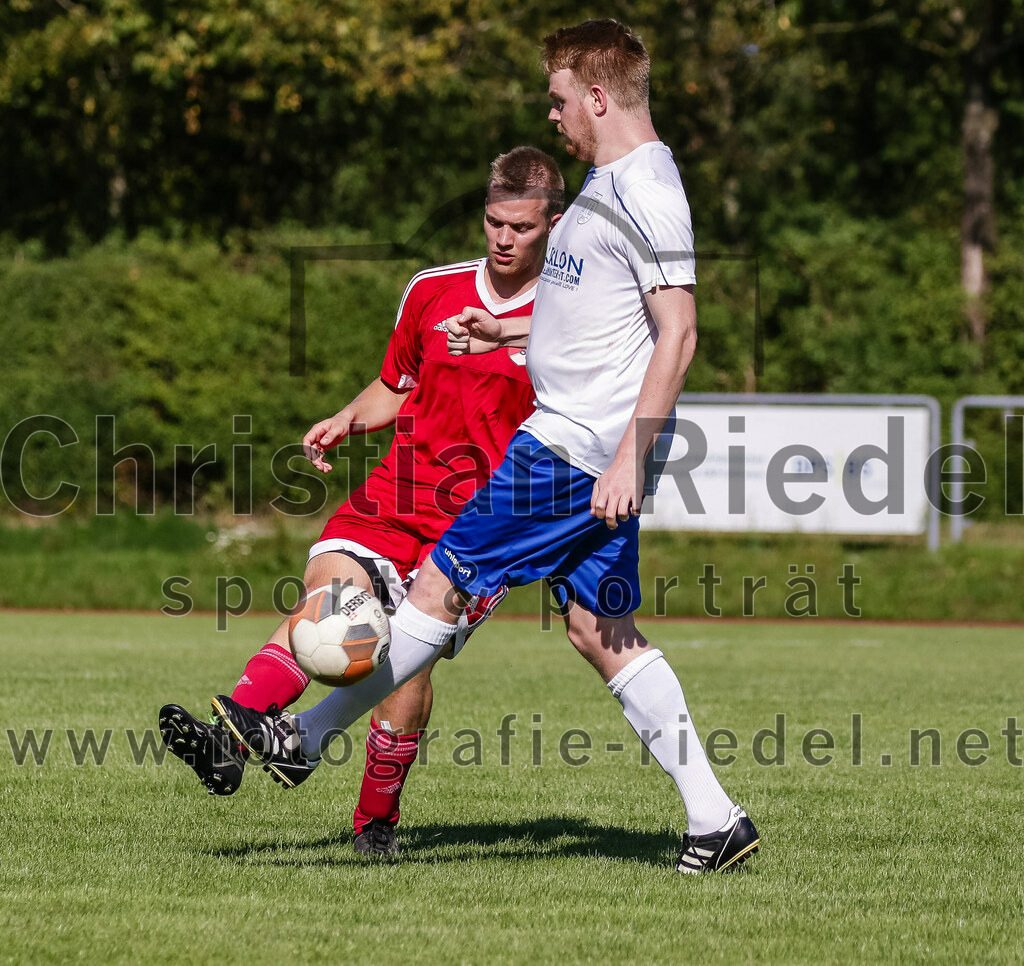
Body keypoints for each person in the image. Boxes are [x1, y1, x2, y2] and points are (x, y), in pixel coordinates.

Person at [212, 19, 760, 874]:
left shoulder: (646, 190)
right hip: (587, 448)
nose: (552, 114)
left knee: (436, 587)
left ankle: (306, 737)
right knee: (599, 628)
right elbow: (599, 318)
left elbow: (678, 333)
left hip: (569, 451)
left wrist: (629, 456)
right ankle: (716, 819)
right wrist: (503, 333)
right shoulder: (609, 181)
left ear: (598, 96)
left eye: (559, 99)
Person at [159, 145, 565, 856]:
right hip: (393, 498)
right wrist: (349, 417)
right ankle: (234, 735)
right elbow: (396, 385)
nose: (503, 239)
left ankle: (375, 820)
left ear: (552, 225)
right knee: (332, 602)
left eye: (522, 227)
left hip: (480, 526)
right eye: (493, 222)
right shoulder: (432, 290)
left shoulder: (570, 318)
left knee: (404, 666)